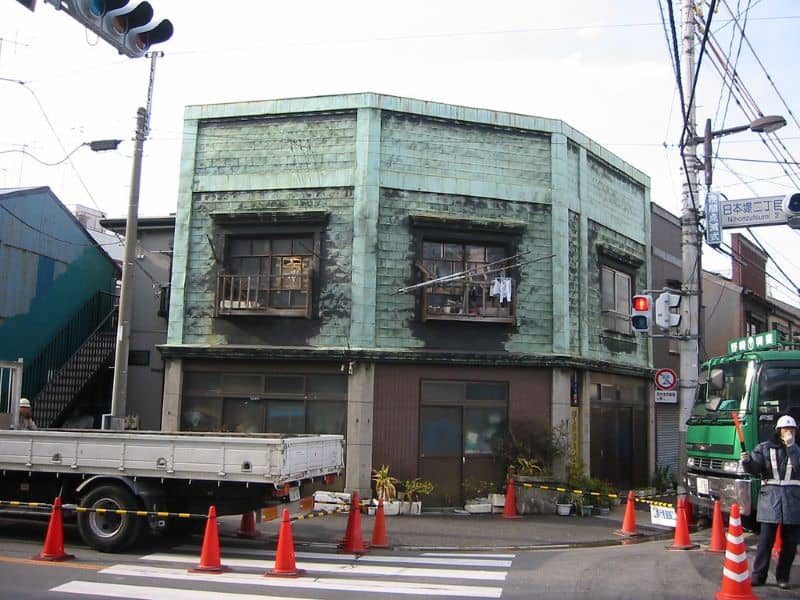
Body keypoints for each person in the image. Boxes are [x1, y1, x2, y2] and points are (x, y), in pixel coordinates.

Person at [741, 414, 800, 590]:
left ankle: (783, 577)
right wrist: (747, 462)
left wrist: (792, 447)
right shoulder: (764, 448)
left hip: (793, 501)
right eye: (785, 429)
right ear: (778, 431)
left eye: (791, 430)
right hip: (770, 500)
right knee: (765, 541)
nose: (788, 432)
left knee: (790, 544)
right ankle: (759, 575)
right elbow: (756, 470)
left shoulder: (798, 449)